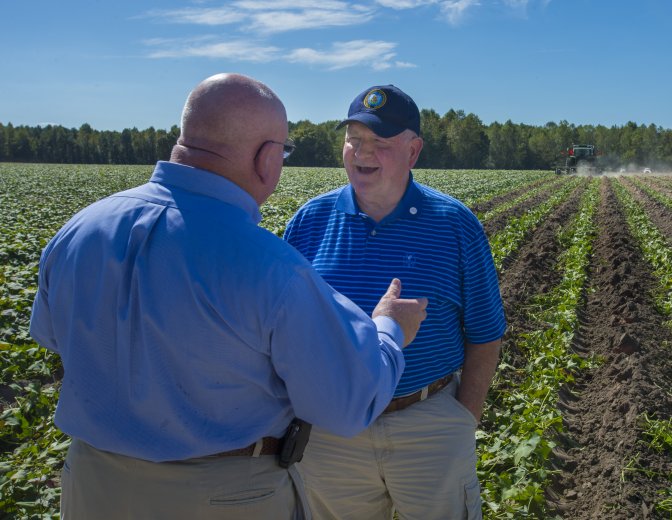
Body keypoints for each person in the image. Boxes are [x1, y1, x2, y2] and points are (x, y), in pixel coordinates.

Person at [29, 73, 428, 520]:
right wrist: (389, 327)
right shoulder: (270, 267)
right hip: (222, 496)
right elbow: (349, 404)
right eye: (283, 152)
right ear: (265, 158)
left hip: (91, 484)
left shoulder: (78, 231)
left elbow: (52, 339)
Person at [284, 84, 506, 519]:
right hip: (335, 430)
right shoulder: (309, 222)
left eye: (380, 143)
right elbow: (286, 329)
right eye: (354, 140)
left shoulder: (455, 225)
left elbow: (485, 333)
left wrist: (463, 420)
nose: (362, 153)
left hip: (428, 424)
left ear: (413, 151)